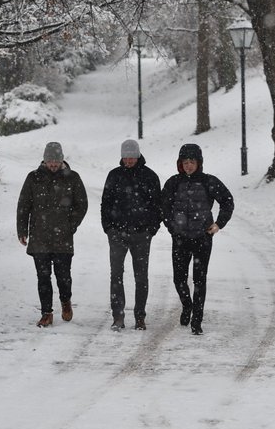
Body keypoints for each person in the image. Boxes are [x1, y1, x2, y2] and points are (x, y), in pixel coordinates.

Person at [160, 143, 234, 335]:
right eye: (185, 162)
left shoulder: (209, 181)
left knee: (200, 280)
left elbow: (227, 201)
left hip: (203, 237)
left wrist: (218, 224)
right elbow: (164, 207)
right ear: (180, 163)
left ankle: (197, 319)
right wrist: (172, 227)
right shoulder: (173, 183)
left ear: (199, 163)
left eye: (192, 162)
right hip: (181, 238)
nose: (188, 166)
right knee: (179, 279)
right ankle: (187, 305)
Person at [17, 141, 88, 327]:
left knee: (63, 276)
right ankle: (46, 312)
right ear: (44, 160)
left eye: (56, 161)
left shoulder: (72, 178)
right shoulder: (33, 178)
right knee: (43, 277)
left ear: (62, 160)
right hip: (39, 237)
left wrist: (70, 224)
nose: (53, 165)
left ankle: (66, 301)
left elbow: (82, 204)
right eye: (50, 161)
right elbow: (24, 206)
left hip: (63, 238)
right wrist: (22, 230)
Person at [101, 139, 162, 331]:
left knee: (141, 277)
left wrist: (151, 229)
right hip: (117, 234)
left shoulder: (150, 176)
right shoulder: (114, 176)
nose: (128, 161)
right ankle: (118, 316)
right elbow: (106, 204)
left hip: (141, 234)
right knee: (116, 275)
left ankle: (140, 316)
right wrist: (109, 228)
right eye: (125, 157)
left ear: (137, 156)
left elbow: (157, 206)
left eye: (131, 157)